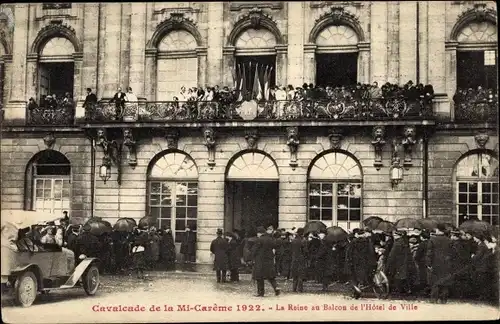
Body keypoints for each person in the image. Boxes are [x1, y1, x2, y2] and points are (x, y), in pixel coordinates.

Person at [425, 224, 452, 304]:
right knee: (445, 282)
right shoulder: (449, 240)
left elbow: (429, 253)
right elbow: (452, 253)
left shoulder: (432, 240)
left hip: (435, 263)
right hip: (446, 264)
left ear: (437, 230)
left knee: (435, 282)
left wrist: (429, 264)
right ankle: (443, 299)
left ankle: (434, 299)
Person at [252, 226, 280, 297]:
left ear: (259, 233)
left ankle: (261, 292)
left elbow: (255, 250)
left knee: (259, 277)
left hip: (260, 260)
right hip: (269, 260)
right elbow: (275, 245)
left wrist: (252, 256)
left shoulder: (259, 240)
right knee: (271, 276)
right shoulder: (270, 239)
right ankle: (276, 287)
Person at [386, 230, 415, 296]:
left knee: (397, 277)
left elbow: (392, 255)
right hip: (405, 262)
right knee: (403, 277)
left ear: (397, 236)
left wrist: (388, 264)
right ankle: (406, 291)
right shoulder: (404, 242)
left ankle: (398, 292)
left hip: (398, 263)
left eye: (395, 235)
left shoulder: (397, 244)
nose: (394, 236)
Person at [290, 228, 308, 292]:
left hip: (294, 258)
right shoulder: (303, 240)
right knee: (300, 274)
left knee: (295, 274)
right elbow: (305, 251)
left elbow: (291, 250)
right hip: (301, 258)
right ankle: (300, 289)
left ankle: (294, 288)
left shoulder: (293, 240)